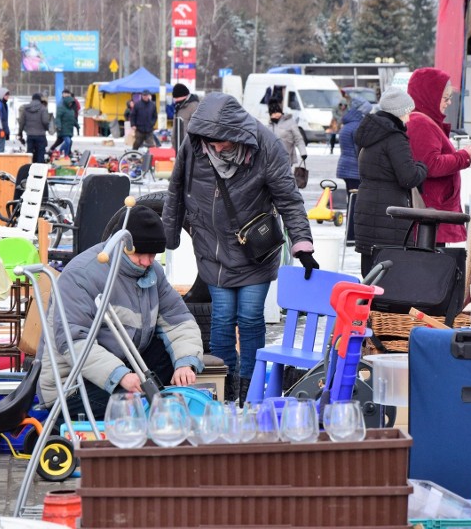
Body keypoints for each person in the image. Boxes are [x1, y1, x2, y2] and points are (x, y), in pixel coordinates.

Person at [162, 92, 318, 405]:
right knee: (221, 319)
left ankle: (249, 386)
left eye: (224, 141)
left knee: (249, 319)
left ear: (237, 133)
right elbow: (175, 189)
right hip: (212, 248)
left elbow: (288, 199)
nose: (218, 147)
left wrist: (302, 244)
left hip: (255, 253)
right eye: (212, 141)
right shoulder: (193, 146)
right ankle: (224, 387)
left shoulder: (266, 147)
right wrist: (167, 235)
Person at [36, 206, 205, 420]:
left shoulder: (153, 272)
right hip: (72, 384)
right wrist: (120, 376)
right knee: (131, 410)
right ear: (122, 246)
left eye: (152, 254)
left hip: (123, 363)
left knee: (168, 353)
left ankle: (153, 406)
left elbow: (178, 320)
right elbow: (73, 342)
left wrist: (186, 362)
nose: (146, 261)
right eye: (140, 254)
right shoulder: (81, 275)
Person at [353, 88, 428, 278]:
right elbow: (408, 177)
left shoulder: (369, 135)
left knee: (370, 275)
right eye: (408, 113)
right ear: (399, 112)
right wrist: (422, 167)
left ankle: (368, 308)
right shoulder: (394, 138)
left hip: (367, 209)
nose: (409, 118)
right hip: (389, 215)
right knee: (391, 278)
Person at [406, 67, 471, 244]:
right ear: (430, 96)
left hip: (434, 212)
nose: (448, 103)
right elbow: (431, 164)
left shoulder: (424, 121)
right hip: (431, 213)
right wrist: (464, 156)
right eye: (445, 98)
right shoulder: (420, 122)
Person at [336, 97, 370, 245]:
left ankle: (349, 234)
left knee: (351, 201)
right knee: (355, 203)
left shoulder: (347, 125)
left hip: (345, 167)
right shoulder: (357, 126)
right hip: (354, 169)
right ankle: (352, 235)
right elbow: (359, 151)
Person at [267, 98, 307, 168]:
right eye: (273, 113)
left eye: (277, 112)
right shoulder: (270, 126)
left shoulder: (290, 122)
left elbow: (298, 138)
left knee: (284, 177)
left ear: (281, 112)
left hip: (287, 158)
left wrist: (303, 152)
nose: (275, 115)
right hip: (273, 159)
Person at [17, 93, 49, 163]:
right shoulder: (43, 108)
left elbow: (21, 122)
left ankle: (29, 169)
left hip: (30, 135)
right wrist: (47, 128)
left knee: (30, 154)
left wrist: (20, 132)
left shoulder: (26, 108)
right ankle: (39, 171)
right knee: (40, 154)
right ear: (40, 99)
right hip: (40, 135)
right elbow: (45, 121)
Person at [172, 83, 199, 153]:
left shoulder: (194, 106)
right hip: (178, 145)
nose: (175, 100)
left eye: (177, 98)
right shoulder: (178, 106)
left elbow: (197, 128)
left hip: (188, 147)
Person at [54, 89, 79, 157]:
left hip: (69, 129)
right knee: (67, 142)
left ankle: (65, 154)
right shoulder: (61, 106)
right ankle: (62, 153)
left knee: (68, 142)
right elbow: (58, 117)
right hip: (63, 129)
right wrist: (58, 126)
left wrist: (77, 125)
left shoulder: (71, 110)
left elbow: (73, 119)